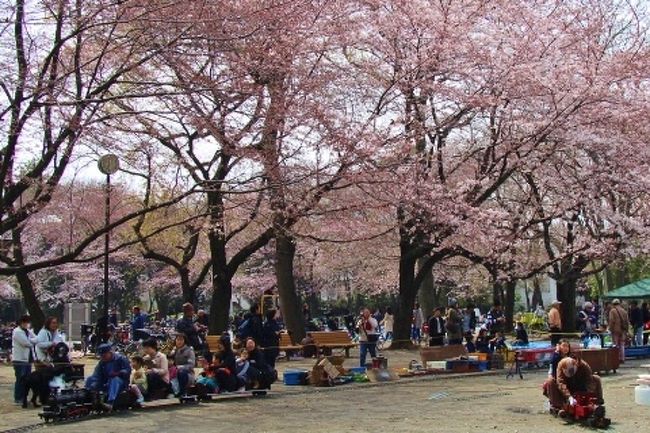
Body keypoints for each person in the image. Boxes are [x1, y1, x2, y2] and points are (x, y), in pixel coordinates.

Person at [85, 343, 131, 410]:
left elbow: (127, 370)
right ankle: (90, 398)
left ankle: (110, 403)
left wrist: (118, 373)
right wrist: (92, 386)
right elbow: (96, 375)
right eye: (101, 356)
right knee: (90, 378)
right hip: (106, 382)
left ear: (110, 352)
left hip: (121, 383)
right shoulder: (101, 363)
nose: (102, 357)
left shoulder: (121, 358)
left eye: (104, 355)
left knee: (114, 379)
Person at [11, 315, 37, 406]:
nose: (26, 324)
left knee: (27, 380)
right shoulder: (17, 331)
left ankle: (24, 397)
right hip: (19, 359)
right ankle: (18, 398)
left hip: (28, 359)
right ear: (21, 323)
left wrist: (31, 340)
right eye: (24, 322)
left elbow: (36, 339)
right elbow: (26, 343)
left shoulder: (28, 331)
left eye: (27, 322)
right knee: (20, 379)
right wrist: (32, 341)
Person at [608, 298, 629, 363]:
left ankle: (616, 359)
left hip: (615, 330)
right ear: (619, 303)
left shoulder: (612, 311)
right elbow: (627, 321)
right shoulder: (624, 311)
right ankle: (622, 358)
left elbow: (611, 320)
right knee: (622, 344)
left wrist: (610, 329)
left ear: (613, 304)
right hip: (623, 330)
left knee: (615, 344)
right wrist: (626, 330)